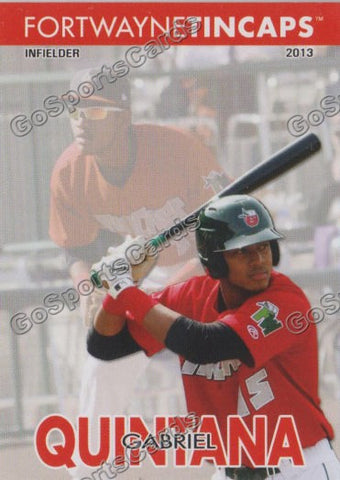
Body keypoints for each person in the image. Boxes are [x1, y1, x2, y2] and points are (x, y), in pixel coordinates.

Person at [49, 66, 229, 477]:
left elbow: (226, 232)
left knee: (230, 369)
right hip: (152, 280)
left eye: (94, 112)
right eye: (74, 110)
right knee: (102, 362)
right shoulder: (70, 172)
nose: (80, 121)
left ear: (123, 115)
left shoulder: (178, 149)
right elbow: (74, 246)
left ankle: (249, 463)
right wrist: (86, 290)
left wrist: (157, 296)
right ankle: (89, 469)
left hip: (211, 273)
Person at [88, 194, 340, 480]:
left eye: (263, 247)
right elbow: (105, 345)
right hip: (230, 472)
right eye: (242, 252)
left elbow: (205, 344)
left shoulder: (285, 303)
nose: (258, 260)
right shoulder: (191, 297)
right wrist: (117, 289)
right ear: (215, 261)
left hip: (300, 469)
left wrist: (125, 290)